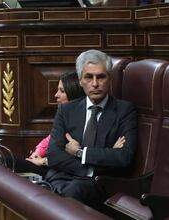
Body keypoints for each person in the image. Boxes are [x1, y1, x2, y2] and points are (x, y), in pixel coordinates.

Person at [45, 49, 137, 209]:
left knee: (70, 194)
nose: (95, 84)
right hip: (61, 177)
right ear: (80, 80)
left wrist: (80, 153)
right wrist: (96, 163)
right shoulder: (66, 110)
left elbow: (124, 157)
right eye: (89, 77)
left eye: (101, 77)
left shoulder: (125, 110)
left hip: (99, 184)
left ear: (110, 79)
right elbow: (54, 155)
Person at [14, 72, 85, 176]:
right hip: (50, 164)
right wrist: (37, 153)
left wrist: (43, 161)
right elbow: (49, 139)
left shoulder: (82, 120)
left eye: (62, 91)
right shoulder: (65, 116)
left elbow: (68, 158)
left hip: (62, 172)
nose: (56, 95)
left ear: (73, 94)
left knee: (10, 162)